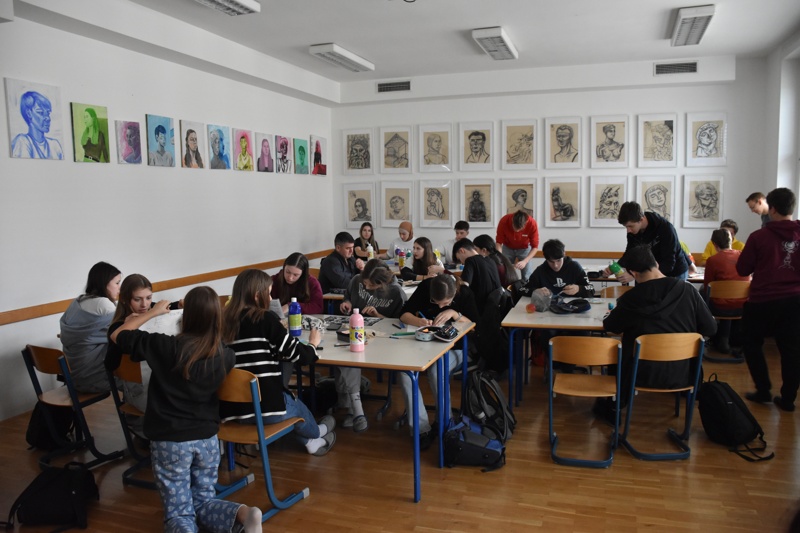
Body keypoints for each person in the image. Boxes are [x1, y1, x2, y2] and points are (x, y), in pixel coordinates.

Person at [110, 287, 263, 533]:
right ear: (217, 317)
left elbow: (118, 334)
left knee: (179, 512)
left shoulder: (164, 346)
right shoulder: (226, 355)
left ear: (186, 316)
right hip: (207, 438)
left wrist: (152, 313)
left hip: (170, 440)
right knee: (204, 502)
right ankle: (243, 514)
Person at [220, 270, 336, 454]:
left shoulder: (222, 321)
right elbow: (301, 356)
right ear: (257, 295)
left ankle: (310, 440)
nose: (270, 298)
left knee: (285, 401)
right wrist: (313, 344)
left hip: (231, 411)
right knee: (294, 403)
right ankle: (315, 435)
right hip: (265, 410)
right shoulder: (265, 319)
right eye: (268, 293)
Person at [601, 246, 716, 418]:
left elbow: (610, 326)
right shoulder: (688, 291)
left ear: (633, 273)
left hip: (639, 373)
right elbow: (711, 328)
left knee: (614, 353)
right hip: (684, 372)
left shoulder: (630, 299)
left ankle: (615, 406)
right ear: (656, 263)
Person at [736, 188, 800, 412]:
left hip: (763, 300)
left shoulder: (758, 237)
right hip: (795, 301)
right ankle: (788, 399)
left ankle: (763, 390)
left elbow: (743, 268)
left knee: (751, 343)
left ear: (771, 209)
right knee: (792, 351)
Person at [399, 274, 479, 449]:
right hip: (424, 346)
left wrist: (455, 314)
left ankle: (445, 422)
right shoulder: (426, 287)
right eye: (436, 302)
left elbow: (475, 326)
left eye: (446, 303)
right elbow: (404, 314)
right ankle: (421, 430)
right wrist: (418, 321)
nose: (440, 307)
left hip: (457, 348)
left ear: (454, 293)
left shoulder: (465, 293)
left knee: (437, 371)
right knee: (405, 373)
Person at [336, 260, 407, 432]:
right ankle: (354, 407)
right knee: (346, 354)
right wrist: (347, 303)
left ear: (382, 283)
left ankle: (353, 407)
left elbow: (401, 323)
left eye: (371, 285)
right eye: (365, 283)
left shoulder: (396, 292)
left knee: (352, 354)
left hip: (385, 340)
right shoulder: (356, 280)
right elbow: (348, 296)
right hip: (357, 332)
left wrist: (378, 315)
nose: (366, 288)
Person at [59, 262, 121, 393]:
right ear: (105, 283)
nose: (119, 288)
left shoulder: (78, 301)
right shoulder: (103, 304)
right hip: (94, 379)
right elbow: (122, 330)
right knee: (140, 375)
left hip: (73, 378)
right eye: (117, 283)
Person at [602, 201, 688, 282]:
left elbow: (669, 263)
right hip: (651, 271)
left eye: (631, 226)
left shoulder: (665, 228)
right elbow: (630, 252)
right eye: (626, 227)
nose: (628, 231)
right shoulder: (633, 231)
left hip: (675, 272)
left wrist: (634, 275)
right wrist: (615, 267)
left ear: (641, 219)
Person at [703, 229, 750, 355]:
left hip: (720, 307)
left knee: (706, 294)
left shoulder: (712, 260)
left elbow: (708, 286)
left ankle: (717, 338)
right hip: (743, 306)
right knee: (728, 299)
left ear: (714, 244)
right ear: (731, 241)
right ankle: (729, 340)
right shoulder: (743, 256)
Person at [518, 239, 594, 299]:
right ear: (546, 258)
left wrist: (579, 289)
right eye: (551, 261)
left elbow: (591, 289)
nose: (556, 265)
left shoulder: (574, 267)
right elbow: (522, 290)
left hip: (573, 307)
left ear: (564, 254)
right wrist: (535, 291)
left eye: (558, 260)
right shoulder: (541, 270)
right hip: (548, 308)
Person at [11, 90, 64, 159]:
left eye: (48, 113)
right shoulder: (22, 141)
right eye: (40, 112)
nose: (48, 118)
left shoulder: (54, 145)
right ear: (29, 113)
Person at [452, 238, 502, 309]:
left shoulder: (470, 260)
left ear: (461, 250)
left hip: (481, 306)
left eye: (459, 259)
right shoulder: (490, 260)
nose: (462, 263)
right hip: (495, 305)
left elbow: (464, 285)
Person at [495, 210, 540, 281]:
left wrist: (525, 261)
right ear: (512, 220)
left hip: (525, 248)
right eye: (514, 227)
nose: (516, 231)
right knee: (504, 272)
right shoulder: (504, 220)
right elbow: (499, 242)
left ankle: (526, 287)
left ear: (525, 223)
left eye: (520, 229)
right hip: (507, 247)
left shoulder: (532, 223)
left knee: (527, 275)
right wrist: (501, 257)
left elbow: (535, 247)